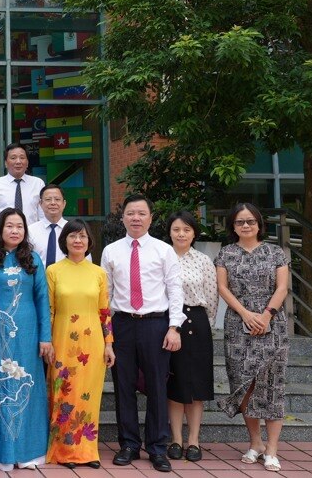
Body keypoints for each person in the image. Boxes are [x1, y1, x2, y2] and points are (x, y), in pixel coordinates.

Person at [100, 194, 183, 473]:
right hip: (122, 323)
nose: (136, 218)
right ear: (122, 217)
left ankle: (157, 448)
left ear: (151, 218)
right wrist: (106, 333)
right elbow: (106, 295)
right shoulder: (111, 251)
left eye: (141, 213)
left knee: (158, 387)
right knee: (123, 386)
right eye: (130, 213)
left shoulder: (163, 250)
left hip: (155, 324)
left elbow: (175, 289)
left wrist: (174, 327)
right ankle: (129, 445)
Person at [215, 203, 289, 473]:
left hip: (273, 323)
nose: (245, 226)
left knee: (271, 384)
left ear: (259, 224)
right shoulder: (226, 254)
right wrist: (246, 314)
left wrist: (266, 315)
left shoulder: (275, 252)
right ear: (232, 226)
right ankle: (255, 443)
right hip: (238, 322)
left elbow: (282, 287)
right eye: (239, 222)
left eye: (250, 221)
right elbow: (223, 287)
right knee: (244, 382)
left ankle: (272, 449)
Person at [0, 207, 51, 470]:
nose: (15, 230)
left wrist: (45, 337)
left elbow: (43, 300)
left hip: (29, 334)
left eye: (19, 226)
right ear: (0, 229)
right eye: (10, 226)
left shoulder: (33, 259)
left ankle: (28, 451)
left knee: (28, 387)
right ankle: (3, 452)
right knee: (1, 388)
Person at [45, 219, 114, 469]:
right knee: (64, 393)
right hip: (62, 339)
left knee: (88, 395)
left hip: (92, 342)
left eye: (83, 236)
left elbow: (104, 310)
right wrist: (47, 341)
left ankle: (87, 451)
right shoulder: (53, 270)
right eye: (73, 236)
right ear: (64, 240)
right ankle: (64, 450)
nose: (78, 240)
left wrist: (109, 343)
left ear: (89, 241)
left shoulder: (98, 273)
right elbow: (49, 310)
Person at [164, 211, 218, 463]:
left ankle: (194, 440)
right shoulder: (162, 256)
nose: (181, 234)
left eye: (186, 229)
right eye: (176, 229)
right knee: (174, 384)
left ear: (194, 233)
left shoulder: (204, 261)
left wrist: (205, 326)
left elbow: (212, 297)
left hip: (197, 324)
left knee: (196, 385)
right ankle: (175, 439)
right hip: (169, 324)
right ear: (170, 232)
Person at [0, 142, 44, 224]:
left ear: (27, 163)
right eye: (13, 158)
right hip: (5, 234)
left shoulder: (38, 183)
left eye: (22, 157)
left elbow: (42, 214)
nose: (18, 162)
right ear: (6, 163)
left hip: (31, 233)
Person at [28, 184, 72, 266]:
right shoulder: (30, 231)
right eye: (48, 199)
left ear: (64, 203)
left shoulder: (73, 230)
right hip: (38, 277)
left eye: (57, 199)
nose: (53, 203)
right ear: (40, 203)